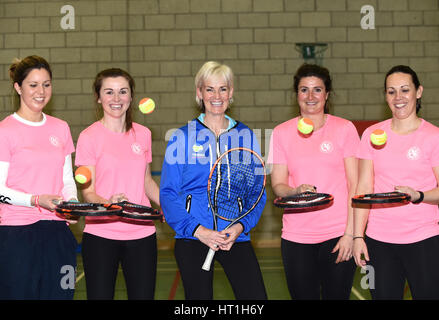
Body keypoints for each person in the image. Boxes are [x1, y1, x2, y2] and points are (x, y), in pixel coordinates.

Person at [160, 61, 267, 300]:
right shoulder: (182, 137)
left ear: (231, 92)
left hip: (234, 235)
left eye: (223, 88)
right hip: (194, 236)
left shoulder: (245, 135)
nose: (216, 96)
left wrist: (240, 227)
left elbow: (258, 193)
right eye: (209, 89)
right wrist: (199, 231)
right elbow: (168, 194)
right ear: (199, 93)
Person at [268, 63, 359, 300]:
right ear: (296, 94)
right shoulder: (281, 133)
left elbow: (355, 185)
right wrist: (294, 190)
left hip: (338, 235)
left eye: (317, 90)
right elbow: (278, 184)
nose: (310, 96)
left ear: (327, 94)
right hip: (297, 237)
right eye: (304, 89)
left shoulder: (344, 129)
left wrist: (350, 234)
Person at [353, 65, 439, 299]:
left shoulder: (433, 136)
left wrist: (418, 195)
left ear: (418, 91)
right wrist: (358, 235)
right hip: (379, 242)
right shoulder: (371, 134)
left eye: (404, 90)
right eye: (391, 92)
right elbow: (363, 189)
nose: (398, 98)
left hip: (424, 239)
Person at [75, 68, 160, 300]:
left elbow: (146, 182)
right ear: (98, 97)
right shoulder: (88, 137)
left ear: (131, 97)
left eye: (123, 92)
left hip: (142, 234)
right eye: (109, 92)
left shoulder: (143, 134)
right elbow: (88, 192)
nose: (116, 99)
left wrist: (174, 207)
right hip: (101, 235)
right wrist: (109, 203)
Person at [0, 55, 78, 299]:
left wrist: (73, 204)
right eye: (33, 85)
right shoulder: (5, 131)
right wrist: (35, 200)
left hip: (57, 231)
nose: (41, 91)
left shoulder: (60, 127)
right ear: (18, 87)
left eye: (46, 84)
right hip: (17, 234)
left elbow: (67, 179)